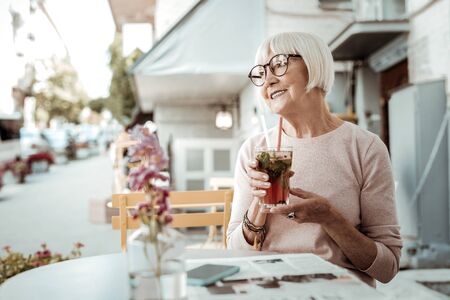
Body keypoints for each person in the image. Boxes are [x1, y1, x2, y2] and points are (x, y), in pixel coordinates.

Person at [226, 32, 402, 287]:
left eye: (278, 64)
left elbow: (388, 268)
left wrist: (329, 218)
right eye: (262, 73)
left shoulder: (365, 148)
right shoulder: (254, 150)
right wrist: (258, 201)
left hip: (337, 290)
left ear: (314, 64)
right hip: (270, 287)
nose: (268, 81)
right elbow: (235, 250)